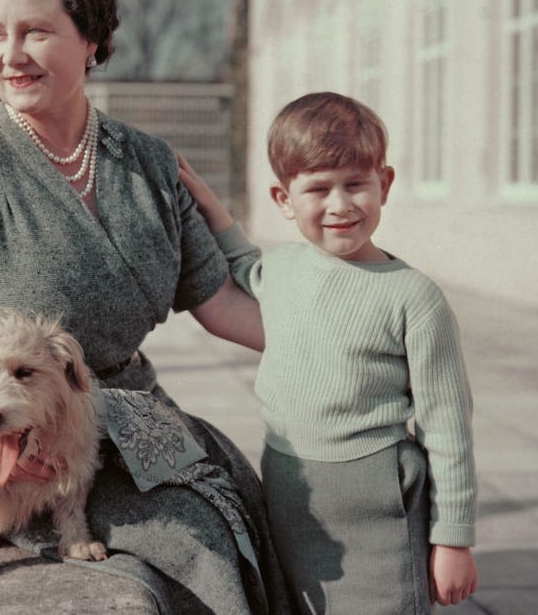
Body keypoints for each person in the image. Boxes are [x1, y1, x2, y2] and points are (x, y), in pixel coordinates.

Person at [0, 0, 288, 615]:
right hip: (19, 446)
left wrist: (345, 344)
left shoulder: (147, 162)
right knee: (191, 544)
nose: (11, 54)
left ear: (92, 40)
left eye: (36, 31)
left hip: (137, 422)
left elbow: (223, 304)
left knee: (243, 505)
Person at [179, 92, 479, 613]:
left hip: (378, 504)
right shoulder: (285, 268)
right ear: (283, 200)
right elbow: (244, 261)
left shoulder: (414, 297)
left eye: (355, 184)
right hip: (291, 489)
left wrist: (453, 538)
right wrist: (209, 205)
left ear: (383, 185)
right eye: (318, 189)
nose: (340, 205)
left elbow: (447, 425)